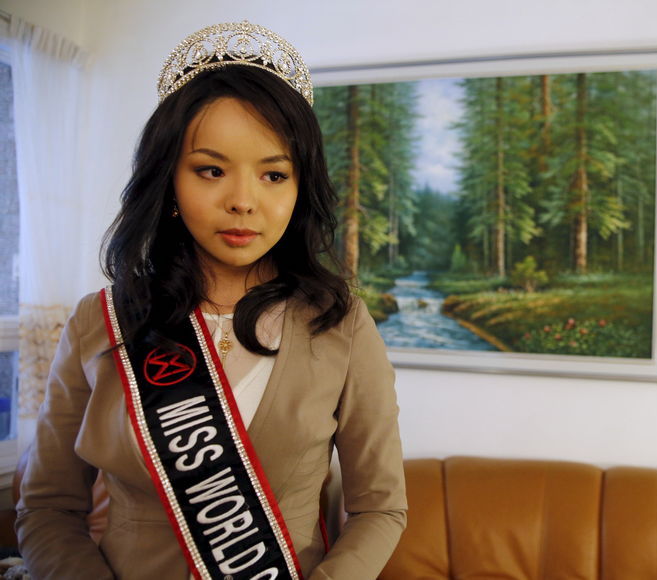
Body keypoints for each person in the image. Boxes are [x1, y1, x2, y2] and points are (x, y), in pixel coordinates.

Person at [15, 21, 407, 580]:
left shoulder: (339, 323)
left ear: (300, 190)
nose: (243, 200)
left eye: (274, 174)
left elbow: (380, 507)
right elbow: (49, 506)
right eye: (211, 170)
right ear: (169, 181)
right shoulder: (100, 321)